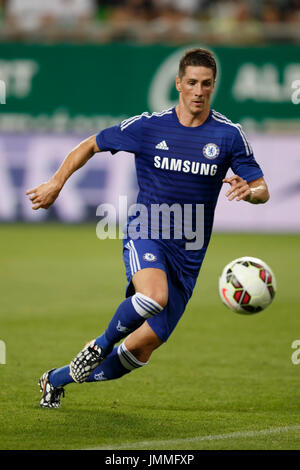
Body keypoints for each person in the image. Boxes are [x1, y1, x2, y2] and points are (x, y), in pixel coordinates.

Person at [26, 48, 269, 408]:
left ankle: (55, 379)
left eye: (206, 84)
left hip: (189, 255)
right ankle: (99, 344)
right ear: (178, 84)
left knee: (140, 350)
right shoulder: (149, 126)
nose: (198, 91)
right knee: (153, 298)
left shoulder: (228, 136)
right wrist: (56, 183)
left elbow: (263, 189)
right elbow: (91, 144)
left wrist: (250, 192)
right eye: (191, 83)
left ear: (214, 86)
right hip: (147, 229)